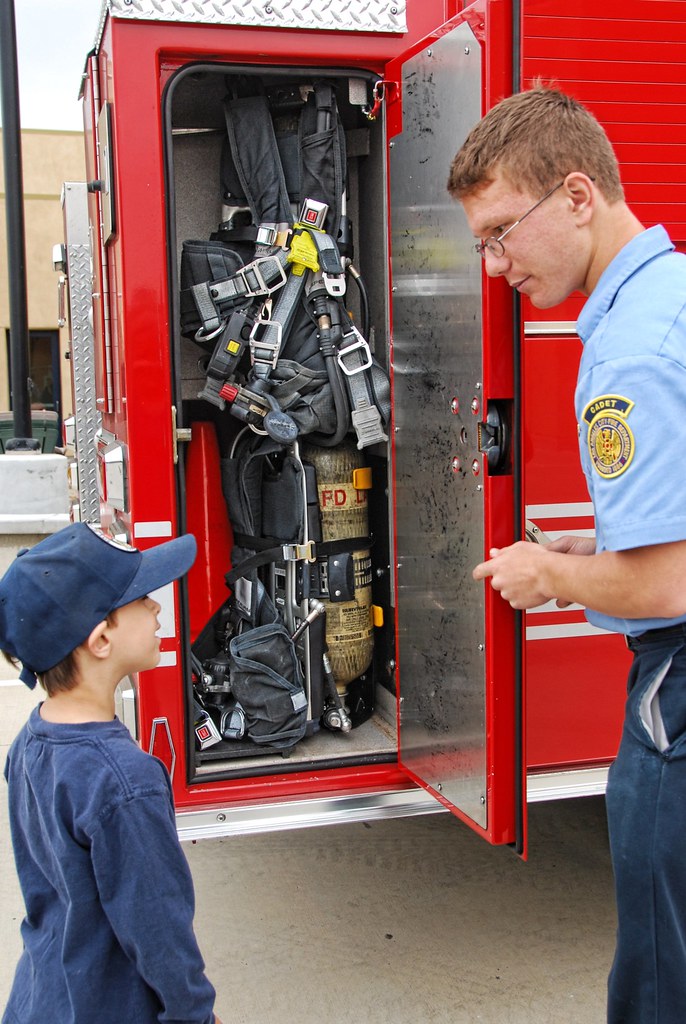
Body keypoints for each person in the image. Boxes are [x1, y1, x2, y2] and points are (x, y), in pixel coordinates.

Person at [447, 85, 686, 1023]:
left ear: (579, 196)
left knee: (662, 969)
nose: (496, 264)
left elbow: (669, 581)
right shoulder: (670, 296)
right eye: (482, 244)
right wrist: (598, 540)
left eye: (503, 232)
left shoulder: (631, 352)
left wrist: (545, 573)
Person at [0, 522, 223, 1024]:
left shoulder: (28, 744)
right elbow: (161, 934)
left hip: (42, 1000)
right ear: (100, 639)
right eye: (141, 597)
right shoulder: (126, 783)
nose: (156, 606)